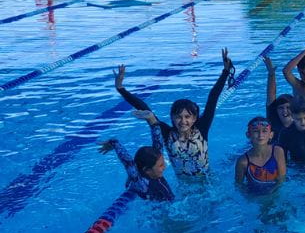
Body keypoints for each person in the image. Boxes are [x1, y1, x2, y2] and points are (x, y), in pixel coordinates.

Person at [113, 48, 232, 177]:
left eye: (187, 117)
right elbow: (145, 109)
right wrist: (121, 89)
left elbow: (213, 97)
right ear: (172, 118)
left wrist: (225, 72)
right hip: (184, 186)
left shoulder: (201, 128)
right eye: (178, 117)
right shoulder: (167, 133)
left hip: (207, 181)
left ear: (194, 118)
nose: (183, 121)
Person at [98, 114, 174, 202]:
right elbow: (128, 162)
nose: (164, 166)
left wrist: (152, 121)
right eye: (161, 165)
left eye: (163, 163)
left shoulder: (155, 171)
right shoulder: (141, 184)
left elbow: (158, 144)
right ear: (147, 170)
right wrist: (114, 143)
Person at [235, 117, 286, 192]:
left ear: (271, 135)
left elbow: (282, 179)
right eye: (256, 131)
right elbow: (239, 185)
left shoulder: (277, 152)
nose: (260, 135)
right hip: (254, 196)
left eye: (264, 131)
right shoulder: (243, 162)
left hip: (275, 192)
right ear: (248, 135)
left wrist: (272, 193)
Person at [264, 56, 294, 143]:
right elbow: (271, 94)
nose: (285, 111)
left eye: (288, 107)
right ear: (276, 110)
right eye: (281, 108)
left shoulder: (300, 123)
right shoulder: (273, 120)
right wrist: (271, 74)